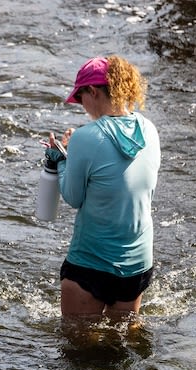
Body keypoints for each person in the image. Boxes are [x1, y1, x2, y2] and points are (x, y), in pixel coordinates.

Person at [43, 55, 161, 320]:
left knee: (77, 347)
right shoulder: (149, 130)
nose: (82, 106)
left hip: (91, 264)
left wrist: (62, 159)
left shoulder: (86, 136)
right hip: (138, 266)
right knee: (122, 340)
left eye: (80, 97)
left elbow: (73, 197)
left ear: (93, 92)